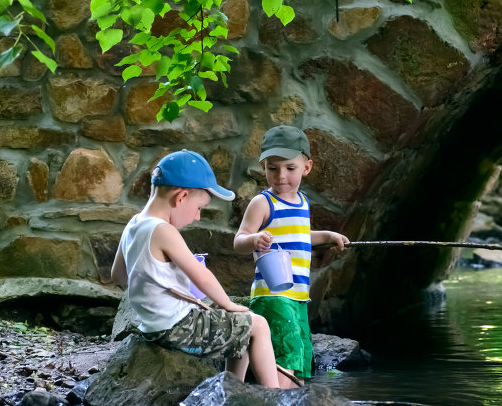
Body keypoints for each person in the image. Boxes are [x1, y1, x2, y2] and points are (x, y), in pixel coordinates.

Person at [110, 150, 291, 388]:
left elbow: (118, 276)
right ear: (181, 197)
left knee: (241, 330)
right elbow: (202, 276)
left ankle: (231, 392)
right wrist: (228, 305)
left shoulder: (133, 224)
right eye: (199, 208)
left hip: (153, 327)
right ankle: (274, 400)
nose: (197, 217)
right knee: (257, 325)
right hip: (176, 328)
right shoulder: (163, 230)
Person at [233, 125, 349, 382]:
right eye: (272, 168)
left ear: (306, 167)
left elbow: (299, 236)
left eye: (290, 168)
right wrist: (254, 239)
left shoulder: (303, 202)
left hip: (298, 295)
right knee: (286, 352)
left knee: (301, 354)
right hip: (272, 295)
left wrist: (327, 236)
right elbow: (239, 241)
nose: (280, 176)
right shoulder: (262, 203)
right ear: (263, 166)